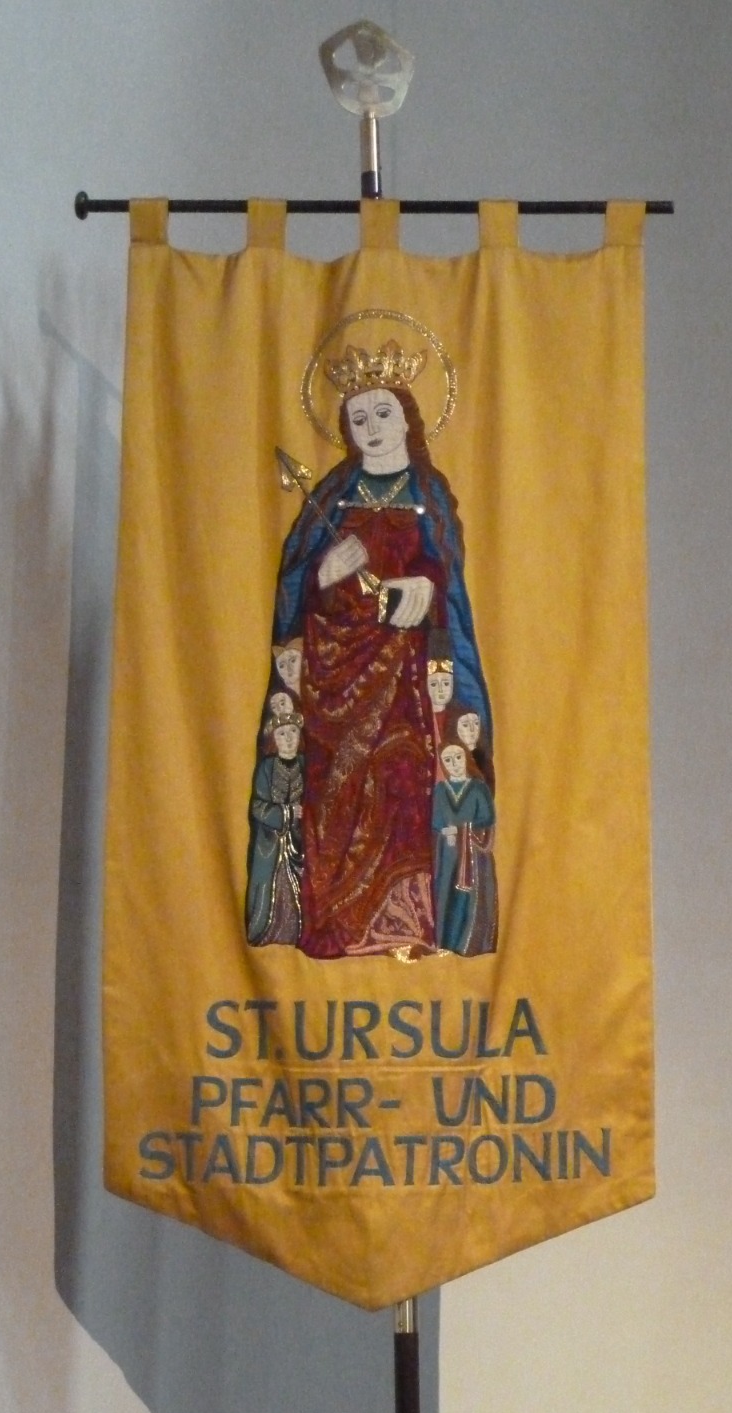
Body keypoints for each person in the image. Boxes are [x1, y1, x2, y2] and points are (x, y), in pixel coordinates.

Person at [261, 340, 494, 959]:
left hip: (404, 674)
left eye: (383, 413)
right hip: (334, 675)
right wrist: (325, 572)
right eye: (358, 417)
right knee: (335, 793)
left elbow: (446, 575)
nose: (371, 427)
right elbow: (295, 584)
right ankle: (336, 923)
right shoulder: (332, 496)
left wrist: (424, 584)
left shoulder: (428, 492)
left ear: (407, 420)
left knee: (401, 780)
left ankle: (406, 925)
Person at [245, 712, 305, 946]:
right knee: (268, 890)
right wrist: (286, 813)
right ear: (274, 739)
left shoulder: (305, 765)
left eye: (293, 732)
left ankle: (297, 934)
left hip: (300, 843)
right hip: (270, 844)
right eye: (282, 734)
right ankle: (266, 931)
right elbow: (257, 806)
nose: (288, 738)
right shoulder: (266, 768)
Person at [431, 742, 498, 955]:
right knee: (446, 897)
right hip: (448, 855)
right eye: (448, 760)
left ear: (466, 758)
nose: (455, 764)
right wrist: (446, 831)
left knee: (473, 900)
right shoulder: (440, 790)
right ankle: (446, 943)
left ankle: (471, 945)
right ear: (442, 764)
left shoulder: (478, 788)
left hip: (475, 856)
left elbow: (487, 818)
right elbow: (435, 821)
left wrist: (461, 829)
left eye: (458, 757)